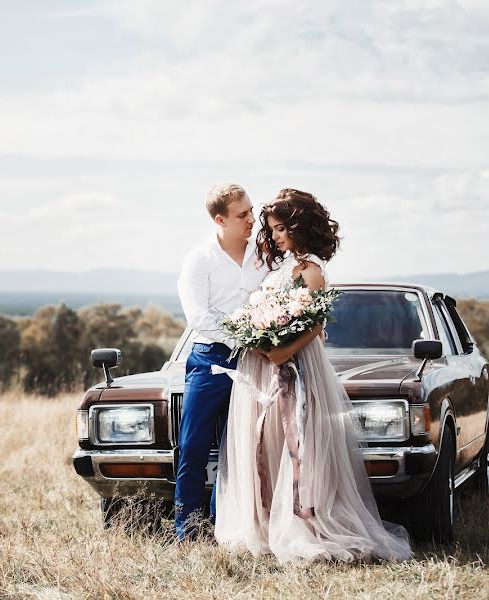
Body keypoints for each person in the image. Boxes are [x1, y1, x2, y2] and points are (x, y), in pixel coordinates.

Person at [214, 188, 413, 563]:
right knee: (268, 443)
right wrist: (256, 338)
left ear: (296, 226)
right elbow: (264, 310)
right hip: (261, 368)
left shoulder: (311, 272)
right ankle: (265, 521)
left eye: (278, 229)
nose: (272, 236)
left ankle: (302, 522)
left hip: (296, 370)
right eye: (270, 229)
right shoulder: (275, 269)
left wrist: (281, 352)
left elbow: (314, 324)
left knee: (298, 443)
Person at [175, 183, 268, 540]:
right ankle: (188, 529)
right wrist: (247, 334)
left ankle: (225, 525)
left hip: (255, 363)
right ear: (220, 220)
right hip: (208, 359)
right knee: (194, 446)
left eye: (251, 211)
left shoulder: (262, 257)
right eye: (242, 214)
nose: (251, 219)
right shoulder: (200, 260)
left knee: (240, 447)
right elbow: (198, 316)